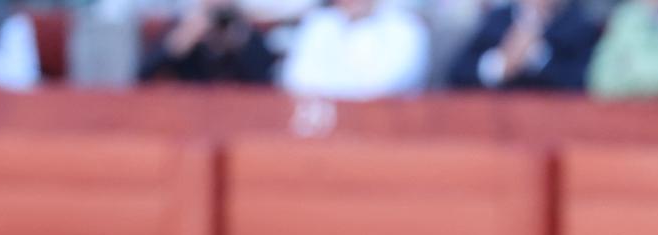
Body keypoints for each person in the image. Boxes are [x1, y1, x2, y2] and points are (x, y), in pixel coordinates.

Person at [281, 0, 430, 99]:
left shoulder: (406, 27)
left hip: (389, 128)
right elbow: (297, 78)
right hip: (323, 125)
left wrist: (330, 89)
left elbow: (385, 86)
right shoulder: (319, 23)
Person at [446, 0, 599, 91]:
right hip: (495, 123)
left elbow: (583, 82)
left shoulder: (577, 26)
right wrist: (499, 65)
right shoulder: (497, 20)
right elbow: (456, 74)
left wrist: (537, 58)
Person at [139, 0, 274, 84]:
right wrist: (178, 43)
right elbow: (141, 76)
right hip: (187, 111)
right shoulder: (183, 29)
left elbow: (267, 83)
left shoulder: (246, 33)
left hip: (239, 114)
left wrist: (241, 45)